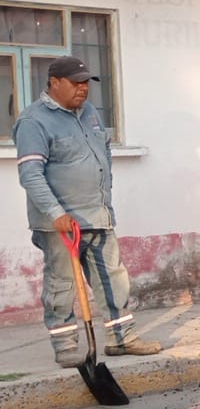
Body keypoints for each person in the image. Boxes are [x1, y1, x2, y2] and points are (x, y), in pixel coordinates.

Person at [12, 55, 161, 367]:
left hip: (97, 214)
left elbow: (103, 149)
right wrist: (55, 212)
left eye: (86, 83)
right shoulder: (33, 121)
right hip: (59, 223)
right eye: (76, 82)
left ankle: (122, 339)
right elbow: (30, 175)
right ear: (54, 82)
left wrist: (103, 190)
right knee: (62, 283)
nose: (83, 89)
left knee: (114, 277)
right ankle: (66, 346)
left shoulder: (89, 112)